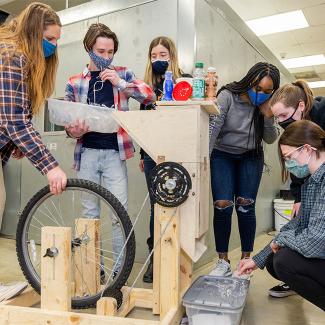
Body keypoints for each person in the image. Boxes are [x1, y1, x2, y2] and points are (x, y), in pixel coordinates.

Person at [64, 23, 155, 278]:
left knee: (119, 214)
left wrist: (121, 83)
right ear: (88, 48)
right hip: (87, 154)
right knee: (89, 214)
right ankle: (93, 271)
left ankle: (118, 273)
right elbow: (68, 126)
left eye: (110, 51)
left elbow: (149, 96)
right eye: (100, 51)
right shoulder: (74, 82)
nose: (105, 56)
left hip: (115, 154)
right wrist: (74, 131)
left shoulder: (123, 73)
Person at [0, 2, 66, 300]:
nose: (53, 46)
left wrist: (13, 142)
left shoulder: (22, 59)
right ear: (33, 32)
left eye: (56, 41)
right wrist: (50, 165)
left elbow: (12, 118)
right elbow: (14, 120)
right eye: (49, 39)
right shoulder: (11, 56)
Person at [238, 120, 325, 311]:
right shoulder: (312, 181)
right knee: (272, 260)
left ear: (307, 149)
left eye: (288, 157)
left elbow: (316, 241)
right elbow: (297, 226)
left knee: (284, 261)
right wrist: (257, 259)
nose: (288, 163)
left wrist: (280, 241)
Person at [209, 62, 280, 277]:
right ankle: (222, 261)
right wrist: (202, 161)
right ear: (250, 81)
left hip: (251, 156)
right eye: (258, 89)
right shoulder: (228, 96)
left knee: (246, 206)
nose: (261, 94)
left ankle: (246, 260)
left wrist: (267, 115)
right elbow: (213, 130)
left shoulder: (267, 104)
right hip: (222, 155)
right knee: (222, 205)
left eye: (268, 91)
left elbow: (270, 138)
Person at [139, 36, 191, 283]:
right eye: (154, 56)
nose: (158, 60)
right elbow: (144, 124)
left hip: (178, 152)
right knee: (156, 206)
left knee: (178, 204)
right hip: (151, 153)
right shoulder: (145, 88)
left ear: (172, 56)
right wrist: (142, 155)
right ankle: (155, 259)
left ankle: (177, 258)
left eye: (163, 55)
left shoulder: (186, 81)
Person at [268, 80, 325, 298]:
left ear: (301, 106)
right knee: (281, 255)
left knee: (294, 251)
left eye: (283, 115)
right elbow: (297, 169)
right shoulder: (298, 145)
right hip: (313, 184)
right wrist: (299, 198)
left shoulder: (322, 114)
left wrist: (280, 241)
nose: (280, 122)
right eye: (276, 118)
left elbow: (315, 243)